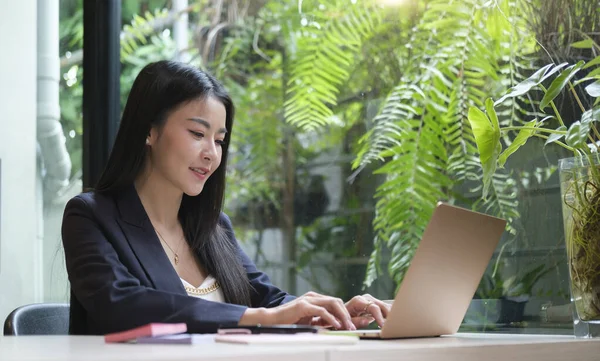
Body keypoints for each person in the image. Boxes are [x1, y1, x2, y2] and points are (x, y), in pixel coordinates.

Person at [61, 60, 390, 335]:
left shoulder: (214, 226)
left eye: (219, 140)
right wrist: (254, 317)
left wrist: (332, 314)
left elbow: (269, 300)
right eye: (197, 134)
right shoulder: (91, 216)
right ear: (150, 130)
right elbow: (121, 305)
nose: (211, 154)